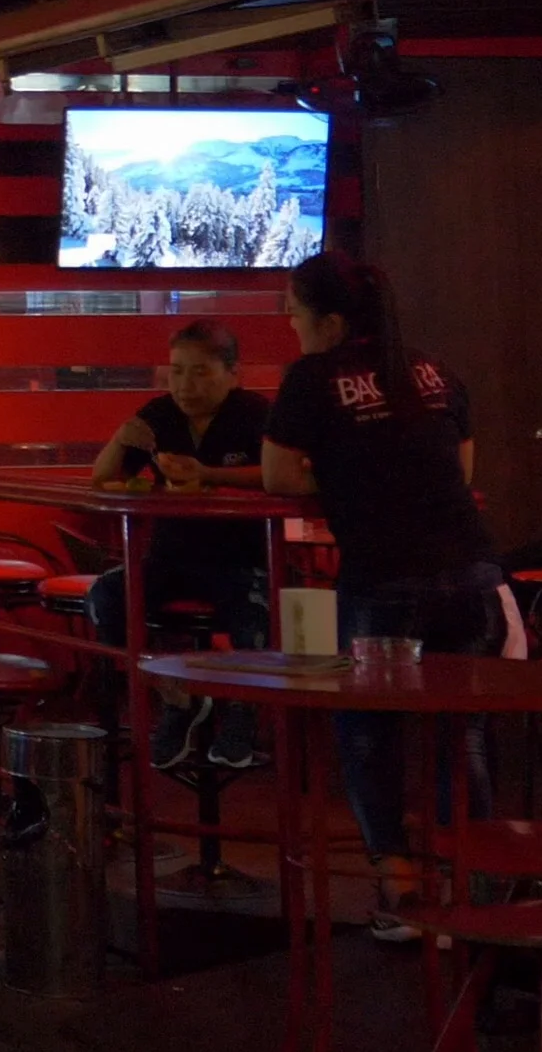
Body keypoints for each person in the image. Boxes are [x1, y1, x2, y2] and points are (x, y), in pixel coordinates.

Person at [260, 253, 498, 939]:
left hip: (386, 576)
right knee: (465, 736)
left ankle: (401, 893)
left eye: (295, 311)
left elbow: (279, 475)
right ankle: (475, 896)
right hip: (475, 573)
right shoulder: (432, 370)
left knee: (368, 732)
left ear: (330, 322)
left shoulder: (312, 377)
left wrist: (343, 474)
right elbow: (463, 470)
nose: (288, 322)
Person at [89, 320, 274, 769]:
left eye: (199, 372)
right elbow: (102, 478)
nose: (184, 384)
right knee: (104, 597)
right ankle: (173, 694)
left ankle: (241, 712)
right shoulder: (158, 415)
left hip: (240, 557)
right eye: (176, 371)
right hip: (169, 556)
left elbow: (277, 476)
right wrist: (120, 437)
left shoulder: (257, 414)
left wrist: (208, 475)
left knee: (255, 618)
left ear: (233, 374)